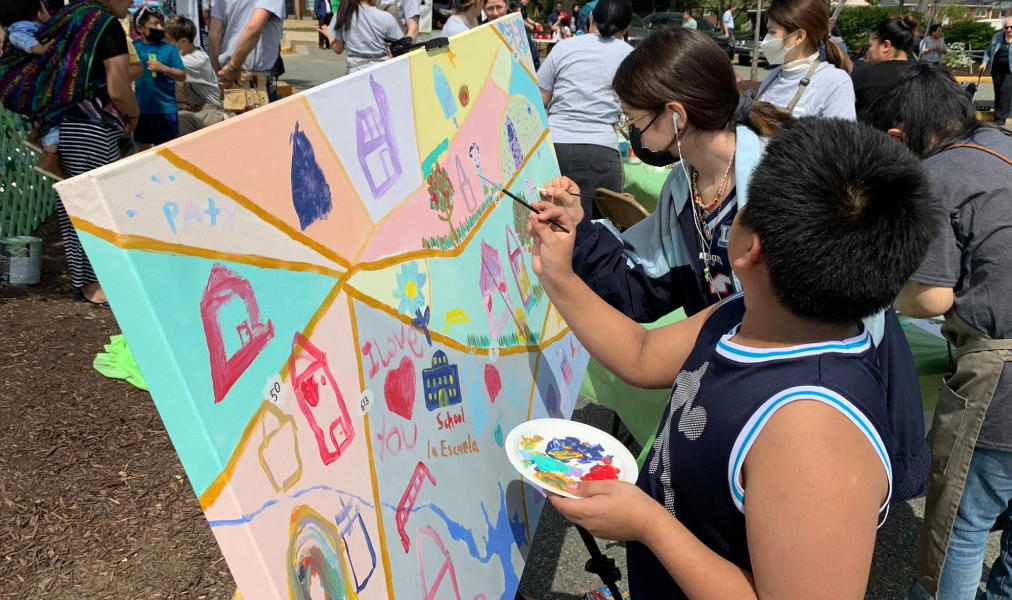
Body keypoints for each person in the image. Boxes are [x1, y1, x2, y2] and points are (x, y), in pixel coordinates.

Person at [529, 116, 936, 600]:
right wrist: (560, 277)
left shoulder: (814, 430)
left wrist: (647, 524)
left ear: (749, 247)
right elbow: (641, 354)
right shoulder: (748, 311)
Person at [542, 26, 931, 509]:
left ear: (675, 115)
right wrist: (578, 230)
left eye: (633, 122)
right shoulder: (685, 185)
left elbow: (843, 315)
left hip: (810, 393)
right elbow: (647, 280)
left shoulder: (781, 184)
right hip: (746, 382)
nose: (632, 136)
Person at [863, 63, 1012, 600]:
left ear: (898, 138)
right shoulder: (1001, 141)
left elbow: (930, 297)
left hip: (1002, 379)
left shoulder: (939, 175)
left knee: (962, 524)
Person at [5, 0, 142, 304]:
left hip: (65, 125)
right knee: (87, 205)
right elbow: (118, 87)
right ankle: (91, 285)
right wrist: (133, 113)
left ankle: (99, 279)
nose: (133, 1)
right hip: (87, 124)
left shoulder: (71, 19)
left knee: (86, 203)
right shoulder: (102, 23)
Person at [537, 0, 633, 219]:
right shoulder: (630, 55)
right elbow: (636, 106)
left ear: (591, 19)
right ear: (626, 28)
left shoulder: (564, 47)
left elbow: (539, 99)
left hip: (554, 145)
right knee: (598, 233)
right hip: (601, 149)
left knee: (550, 225)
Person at [755, 0, 854, 118]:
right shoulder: (773, 76)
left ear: (798, 36)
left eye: (772, 32)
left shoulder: (836, 82)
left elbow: (841, 135)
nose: (767, 39)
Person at [0, 0, 65, 178]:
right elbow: (19, 38)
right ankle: (50, 157)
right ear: (37, 13)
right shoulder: (23, 27)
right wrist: (41, 48)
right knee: (52, 113)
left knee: (42, 110)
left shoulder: (16, 28)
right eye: (44, 7)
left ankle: (37, 136)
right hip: (27, 86)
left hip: (23, 87)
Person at [208, 0, 285, 101]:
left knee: (233, 114)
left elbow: (213, 37)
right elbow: (253, 28)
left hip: (230, 79)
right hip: (256, 81)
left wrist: (222, 73)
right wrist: (233, 67)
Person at [133, 7, 185, 151]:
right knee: (143, 149)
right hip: (141, 110)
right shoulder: (133, 48)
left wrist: (164, 69)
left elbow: (182, 75)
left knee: (167, 150)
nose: (160, 27)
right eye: (155, 24)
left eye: (161, 24)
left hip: (165, 110)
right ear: (140, 27)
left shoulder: (170, 49)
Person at [165, 15, 225, 135]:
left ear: (183, 41)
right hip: (198, 108)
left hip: (212, 112)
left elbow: (162, 64)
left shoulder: (193, 61)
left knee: (175, 121)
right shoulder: (191, 54)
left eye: (169, 42)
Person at [852, 15, 919, 120]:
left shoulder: (866, 75)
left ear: (886, 46)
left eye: (870, 45)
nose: (868, 51)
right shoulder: (922, 76)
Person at [320, 0, 401, 74]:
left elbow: (337, 48)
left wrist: (328, 35)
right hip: (382, 70)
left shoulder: (342, 16)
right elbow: (398, 49)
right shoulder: (387, 17)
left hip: (355, 72)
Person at [981, 17, 1012, 126]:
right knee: (998, 91)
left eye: (1011, 27)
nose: (1008, 30)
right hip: (997, 68)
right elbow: (988, 52)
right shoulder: (997, 37)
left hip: (1010, 70)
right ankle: (997, 115)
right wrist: (984, 63)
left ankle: (1001, 117)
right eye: (1006, 27)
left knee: (1006, 91)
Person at [518, 0, 540, 69]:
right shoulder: (519, 7)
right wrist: (529, 26)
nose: (527, 1)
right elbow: (519, 18)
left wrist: (534, 23)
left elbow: (526, 18)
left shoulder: (524, 7)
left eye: (528, 0)